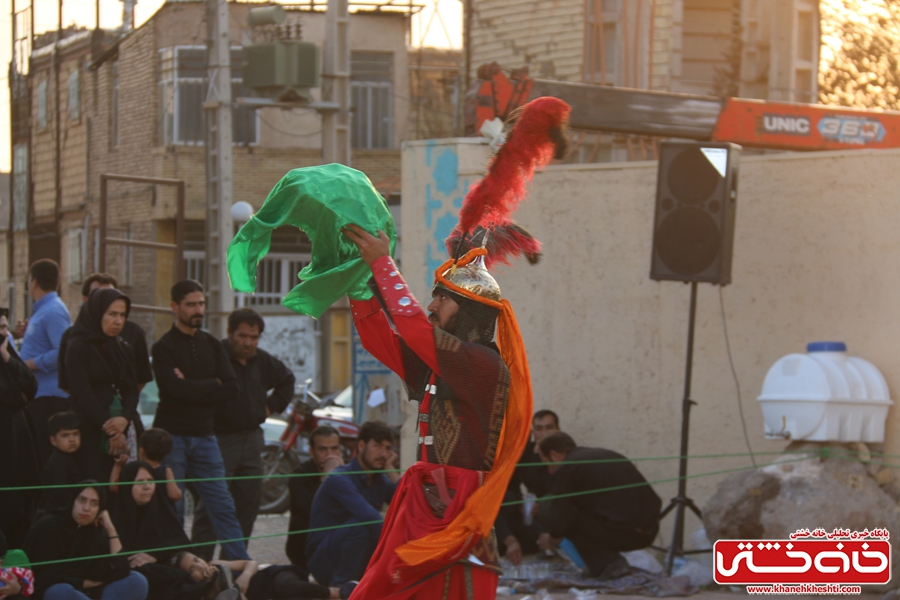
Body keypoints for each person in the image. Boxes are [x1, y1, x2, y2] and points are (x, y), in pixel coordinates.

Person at [343, 96, 566, 600]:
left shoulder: (479, 363)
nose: (430, 304)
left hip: (454, 504)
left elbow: (414, 330)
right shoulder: (443, 359)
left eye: (440, 299)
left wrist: (383, 266)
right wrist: (359, 283)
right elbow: (384, 338)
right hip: (427, 497)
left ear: (466, 312)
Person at [151, 279, 249, 561]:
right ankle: (177, 565)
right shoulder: (163, 347)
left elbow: (232, 388)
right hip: (172, 439)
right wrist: (212, 384)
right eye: (191, 304)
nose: (198, 310)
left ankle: (241, 564)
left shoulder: (212, 344)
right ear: (175, 307)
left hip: (206, 437)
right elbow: (174, 390)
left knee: (222, 504)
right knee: (175, 506)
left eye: (201, 304)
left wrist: (195, 385)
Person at [192, 308, 295, 560]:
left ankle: (234, 566)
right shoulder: (213, 356)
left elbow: (287, 380)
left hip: (251, 441)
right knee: (211, 505)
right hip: (219, 440)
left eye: (254, 337)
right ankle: (198, 567)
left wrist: (270, 407)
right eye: (242, 336)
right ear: (229, 333)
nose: (248, 342)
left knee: (248, 504)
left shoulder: (262, 361)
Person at [536, 432, 662, 579]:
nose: (550, 471)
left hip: (628, 533)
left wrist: (551, 539)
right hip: (649, 530)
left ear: (554, 455)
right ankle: (603, 563)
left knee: (550, 507)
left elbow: (560, 515)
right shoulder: (601, 454)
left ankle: (610, 563)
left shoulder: (567, 467)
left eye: (547, 464)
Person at [306, 421, 399, 588]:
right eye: (377, 446)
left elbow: (408, 503)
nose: (383, 454)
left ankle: (361, 585)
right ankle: (341, 588)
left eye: (387, 448)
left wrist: (390, 469)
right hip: (324, 560)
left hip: (355, 554)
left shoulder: (380, 480)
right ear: (361, 446)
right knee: (364, 524)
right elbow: (371, 518)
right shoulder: (339, 478)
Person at [62, 288, 140, 481]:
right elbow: (81, 392)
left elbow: (132, 388)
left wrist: (124, 419)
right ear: (97, 314)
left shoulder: (122, 347)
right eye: (112, 314)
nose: (118, 321)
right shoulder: (78, 346)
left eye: (122, 315)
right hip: (89, 429)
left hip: (121, 427)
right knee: (94, 484)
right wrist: (111, 429)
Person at [22, 481, 149, 600]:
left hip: (90, 593)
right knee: (61, 591)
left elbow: (121, 571)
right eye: (82, 500)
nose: (86, 508)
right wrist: (83, 583)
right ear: (73, 501)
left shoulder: (97, 531)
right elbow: (43, 576)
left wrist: (111, 529)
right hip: (55, 590)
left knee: (137, 581)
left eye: (94, 503)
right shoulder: (49, 526)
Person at [111, 461, 215, 600]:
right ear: (127, 484)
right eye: (140, 481)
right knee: (143, 571)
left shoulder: (161, 509)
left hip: (168, 570)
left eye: (150, 481)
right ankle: (207, 588)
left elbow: (182, 544)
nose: (147, 487)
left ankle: (206, 587)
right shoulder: (118, 517)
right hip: (142, 578)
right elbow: (123, 561)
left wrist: (156, 555)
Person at [58, 273, 153, 394]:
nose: (107, 300)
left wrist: (122, 405)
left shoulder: (133, 333)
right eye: (99, 296)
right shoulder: (72, 337)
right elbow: (68, 383)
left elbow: (141, 377)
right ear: (86, 300)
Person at [20, 259, 72, 468]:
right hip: (38, 396)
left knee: (45, 456)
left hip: (49, 398)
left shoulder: (54, 310)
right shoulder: (43, 310)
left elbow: (62, 352)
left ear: (33, 282)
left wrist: (31, 364)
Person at [495, 409, 560, 565]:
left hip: (557, 507)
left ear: (557, 430)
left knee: (548, 504)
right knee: (505, 500)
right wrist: (522, 501)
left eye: (549, 428)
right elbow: (513, 487)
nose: (544, 433)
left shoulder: (563, 453)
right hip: (532, 509)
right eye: (538, 428)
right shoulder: (526, 453)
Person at [0, 326, 39, 549]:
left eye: (5, 327)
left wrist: (6, 355)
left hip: (16, 449)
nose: (4, 334)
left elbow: (30, 385)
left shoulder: (8, 357)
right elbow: (15, 395)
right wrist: (17, 396)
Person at [285, 425, 343, 573]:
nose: (330, 455)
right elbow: (309, 511)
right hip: (304, 546)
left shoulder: (347, 470)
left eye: (334, 449)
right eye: (322, 449)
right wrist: (326, 477)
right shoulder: (299, 476)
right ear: (312, 452)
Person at [173, 552, 342, 600]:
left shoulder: (216, 563)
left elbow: (250, 563)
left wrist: (245, 575)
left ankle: (339, 593)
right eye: (191, 569)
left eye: (196, 559)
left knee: (287, 586)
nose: (199, 565)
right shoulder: (203, 594)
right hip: (267, 596)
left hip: (272, 578)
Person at [42, 411, 85, 512]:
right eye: (65, 435)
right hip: (59, 511)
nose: (72, 439)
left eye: (75, 434)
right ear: (53, 440)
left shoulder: (71, 457)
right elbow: (61, 492)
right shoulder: (58, 460)